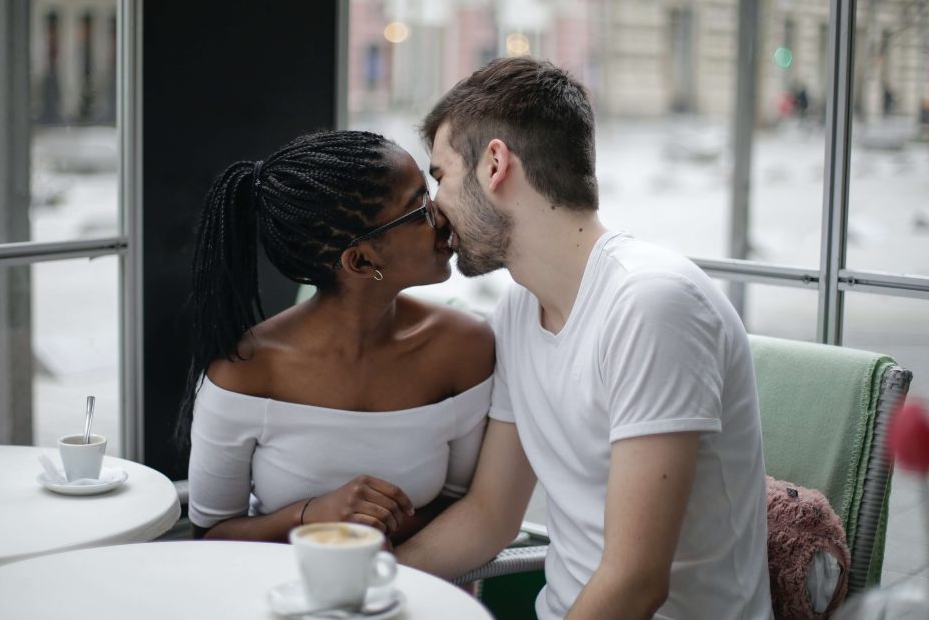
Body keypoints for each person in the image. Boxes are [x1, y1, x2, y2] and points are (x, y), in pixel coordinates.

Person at [396, 57, 773, 620]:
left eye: (440, 177)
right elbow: (489, 517)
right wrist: (365, 578)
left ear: (495, 164)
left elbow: (636, 583)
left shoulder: (650, 304)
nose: (434, 207)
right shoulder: (519, 311)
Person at [179, 130, 494, 546]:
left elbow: (463, 504)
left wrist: (368, 540)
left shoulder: (464, 348)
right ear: (362, 260)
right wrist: (311, 516)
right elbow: (210, 535)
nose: (442, 213)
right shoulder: (245, 372)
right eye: (419, 207)